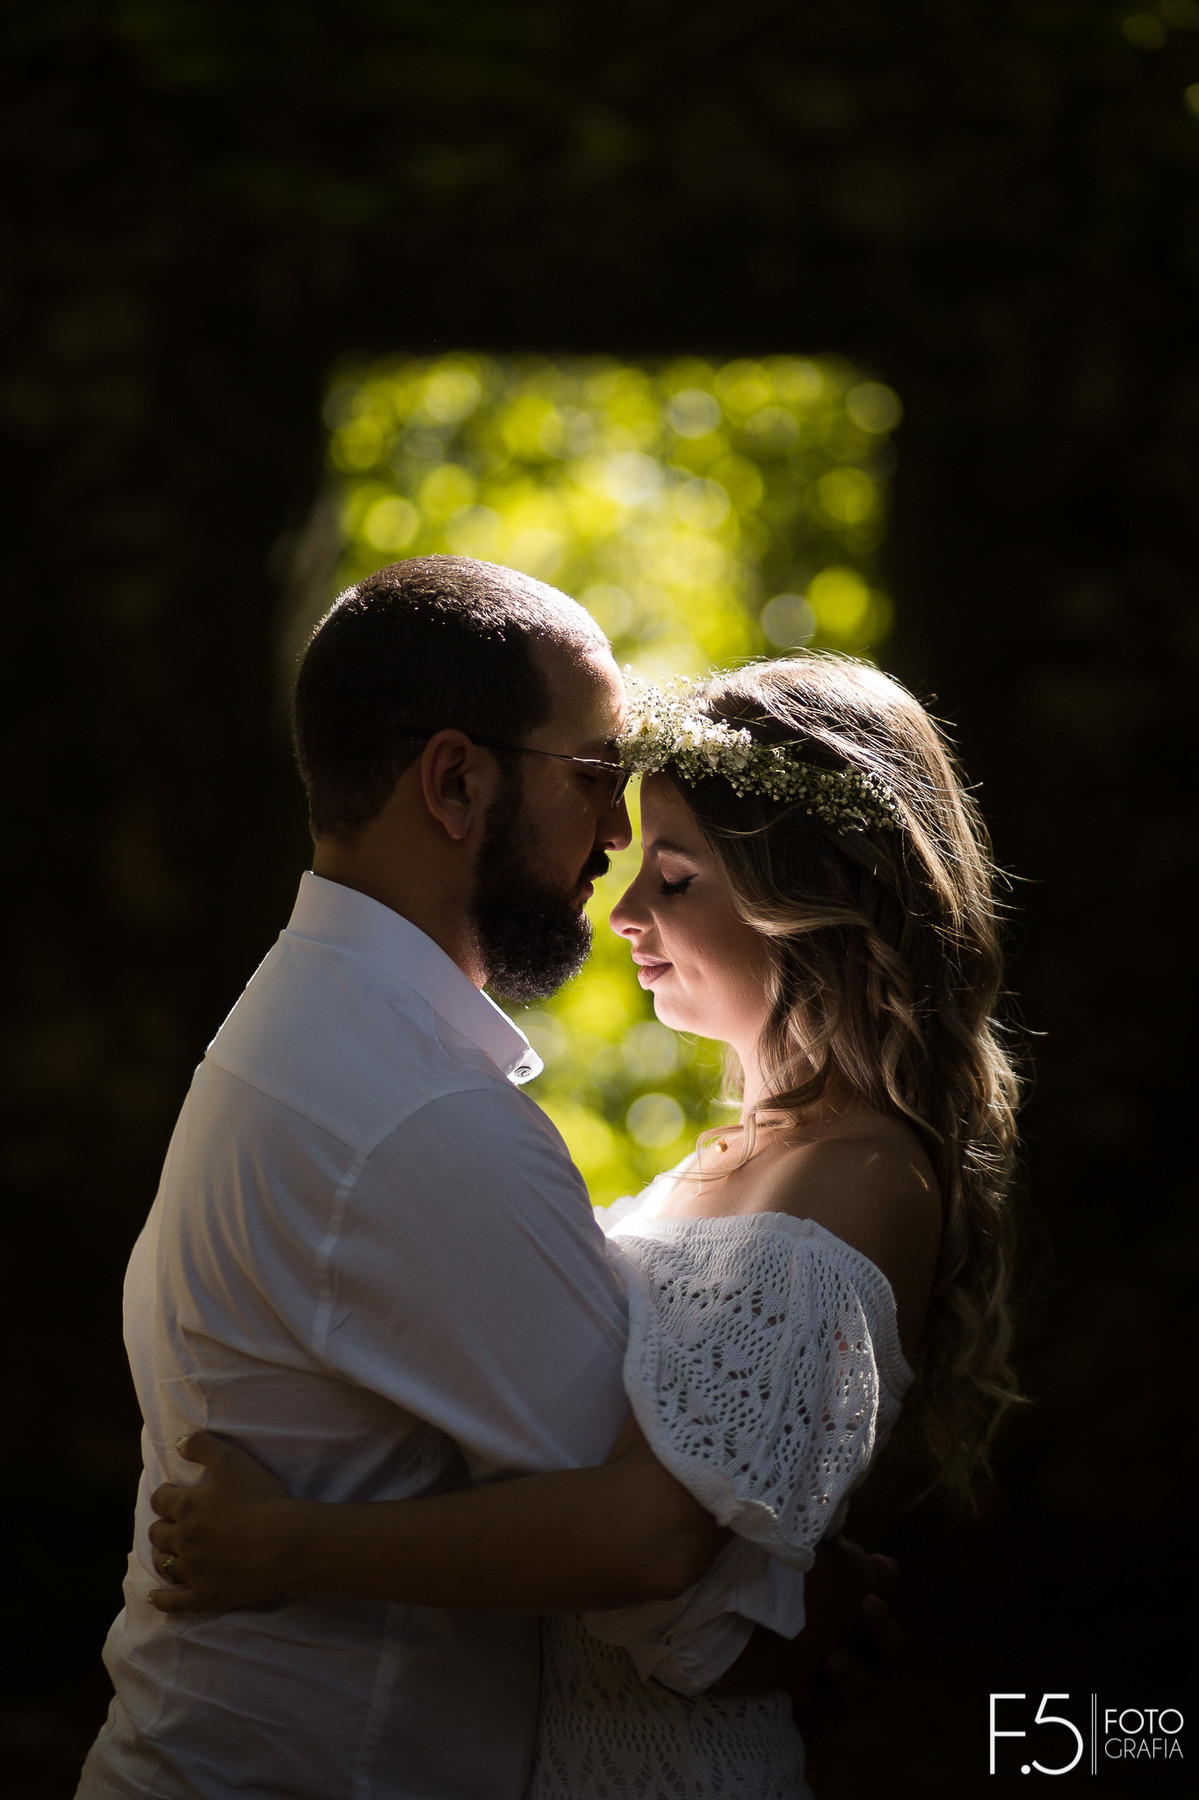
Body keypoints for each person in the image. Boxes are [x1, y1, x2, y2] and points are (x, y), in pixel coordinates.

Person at [144, 653, 1024, 1798]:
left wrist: (283, 1543)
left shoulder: (860, 1176)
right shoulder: (731, 1157)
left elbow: (653, 1539)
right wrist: (802, 1601)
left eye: (675, 878)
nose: (623, 912)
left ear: (812, 896)